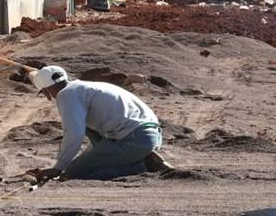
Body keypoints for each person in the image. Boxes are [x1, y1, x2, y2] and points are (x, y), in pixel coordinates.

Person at [29, 66, 170, 182]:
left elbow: (74, 134)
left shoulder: (67, 94)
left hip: (134, 139)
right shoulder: (84, 87)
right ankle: (138, 156)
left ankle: (143, 166)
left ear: (46, 91)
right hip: (149, 135)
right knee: (85, 126)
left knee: (75, 171)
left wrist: (58, 168)